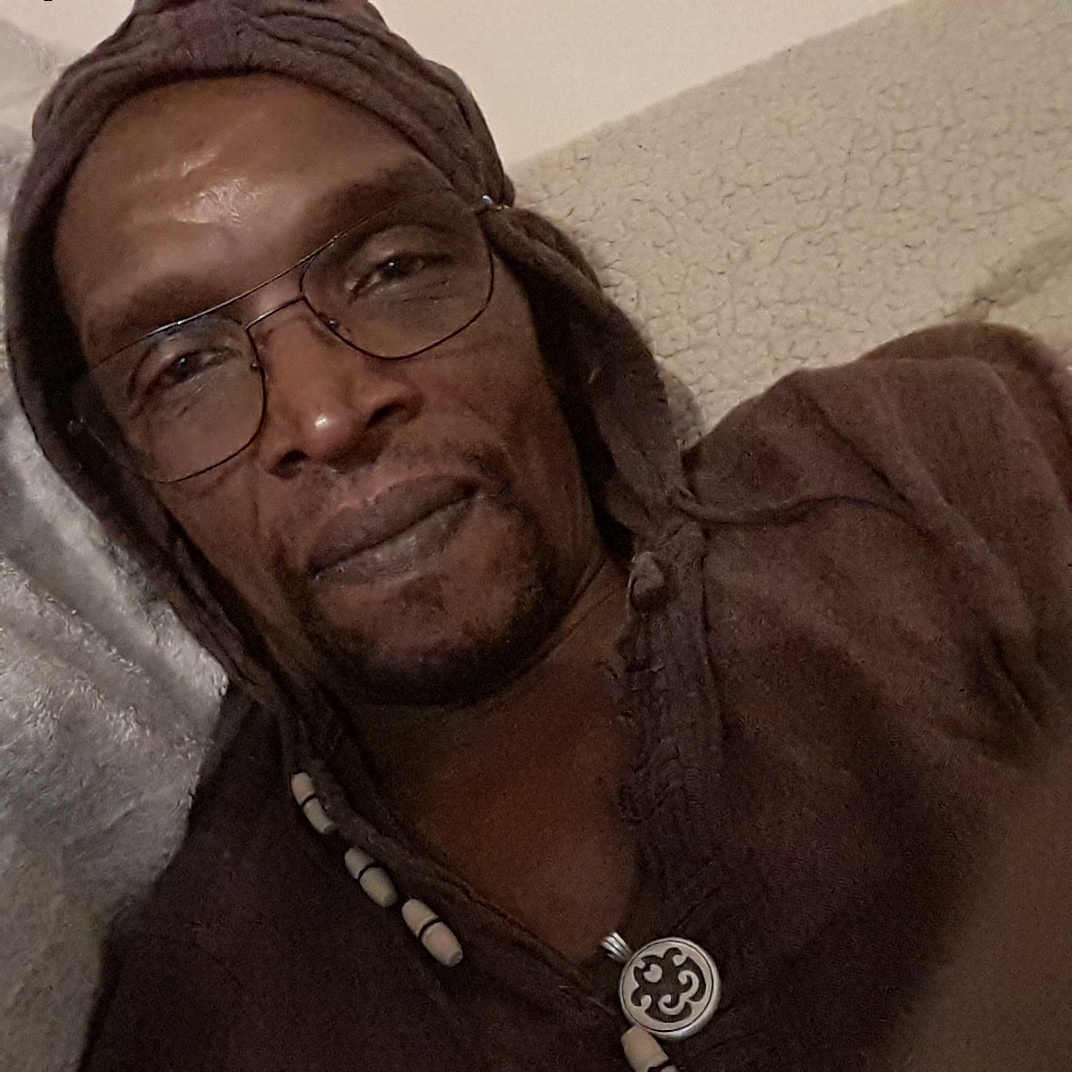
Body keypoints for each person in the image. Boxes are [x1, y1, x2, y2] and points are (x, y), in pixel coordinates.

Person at [4, 1, 1072, 1069]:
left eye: (392, 270)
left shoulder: (922, 468)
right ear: (138, 500)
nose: (325, 416)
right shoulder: (204, 1006)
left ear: (545, 301)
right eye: (183, 369)